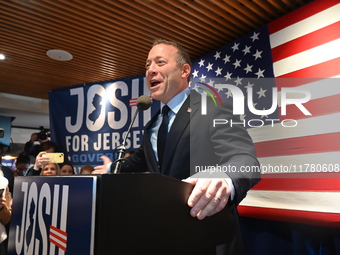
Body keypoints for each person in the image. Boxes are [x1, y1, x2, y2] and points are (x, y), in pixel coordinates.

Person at [94, 39, 261, 254]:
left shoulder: (213, 109)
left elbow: (246, 161)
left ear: (184, 71)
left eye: (160, 62)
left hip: (207, 237)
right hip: (163, 237)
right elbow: (139, 161)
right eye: (147, 65)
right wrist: (110, 168)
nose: (150, 70)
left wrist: (224, 178)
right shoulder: (153, 125)